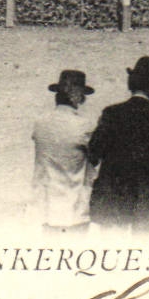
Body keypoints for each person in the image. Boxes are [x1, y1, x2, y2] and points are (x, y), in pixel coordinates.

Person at [87, 56, 149, 236]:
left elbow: (94, 153)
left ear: (131, 83)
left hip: (114, 197)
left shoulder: (112, 113)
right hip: (148, 202)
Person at [32, 70, 95, 234]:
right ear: (78, 97)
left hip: (46, 209)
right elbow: (95, 158)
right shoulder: (84, 126)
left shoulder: (40, 123)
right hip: (75, 211)